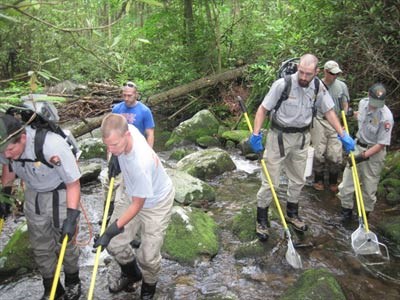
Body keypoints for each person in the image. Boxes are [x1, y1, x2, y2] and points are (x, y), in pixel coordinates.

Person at [249, 54, 355, 240]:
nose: (304, 78)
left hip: (302, 138)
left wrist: (342, 134)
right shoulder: (282, 85)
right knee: (271, 183)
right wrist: (256, 134)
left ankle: (292, 213)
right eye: (302, 72)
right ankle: (262, 219)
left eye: (308, 74)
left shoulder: (317, 87)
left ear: (316, 71)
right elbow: (263, 109)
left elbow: (329, 111)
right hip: (278, 138)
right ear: (298, 67)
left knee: (298, 179)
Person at [0, 113, 82, 300]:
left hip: (61, 193)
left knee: (66, 243)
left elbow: (73, 184)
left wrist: (71, 216)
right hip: (33, 193)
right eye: (2, 151)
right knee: (40, 245)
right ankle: (52, 286)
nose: (6, 155)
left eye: (10, 149)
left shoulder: (51, 145)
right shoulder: (6, 146)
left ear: (22, 137)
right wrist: (5, 196)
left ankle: (72, 280)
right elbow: (8, 169)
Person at [94, 113, 174, 300]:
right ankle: (132, 274)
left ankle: (148, 287)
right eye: (107, 145)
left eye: (115, 145)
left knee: (147, 257)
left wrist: (109, 231)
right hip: (133, 191)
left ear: (127, 136)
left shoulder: (140, 162)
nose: (111, 149)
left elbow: (138, 205)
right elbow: (117, 118)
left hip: (156, 202)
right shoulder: (127, 129)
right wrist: (115, 158)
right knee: (114, 244)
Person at [337, 83, 393, 222]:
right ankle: (346, 214)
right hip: (357, 145)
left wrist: (361, 157)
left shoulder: (386, 117)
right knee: (346, 185)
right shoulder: (363, 103)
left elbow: (381, 144)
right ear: (369, 95)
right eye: (374, 101)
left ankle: (364, 218)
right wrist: (351, 114)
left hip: (374, 153)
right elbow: (362, 118)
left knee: (369, 188)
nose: (375, 105)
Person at [311, 60, 350, 192]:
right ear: (325, 72)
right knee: (318, 152)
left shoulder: (342, 86)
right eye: (332, 74)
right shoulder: (316, 84)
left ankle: (333, 180)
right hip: (319, 120)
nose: (335, 76)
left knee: (335, 154)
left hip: (335, 122)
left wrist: (343, 124)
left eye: (337, 74)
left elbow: (345, 104)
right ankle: (318, 179)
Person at [112, 81, 155, 147]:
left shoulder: (145, 111)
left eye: (129, 96)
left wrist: (150, 152)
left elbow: (150, 134)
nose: (126, 98)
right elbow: (113, 130)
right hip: (120, 147)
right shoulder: (116, 109)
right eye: (124, 95)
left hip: (138, 146)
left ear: (136, 95)